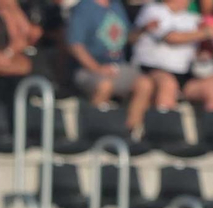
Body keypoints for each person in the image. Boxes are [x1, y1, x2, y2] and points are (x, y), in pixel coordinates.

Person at [65, 0, 155, 130]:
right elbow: (75, 45)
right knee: (105, 85)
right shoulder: (83, 8)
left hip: (117, 66)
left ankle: (130, 131)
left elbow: (127, 37)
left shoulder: (116, 5)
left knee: (145, 84)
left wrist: (143, 30)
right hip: (87, 69)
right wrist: (97, 68)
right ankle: (95, 131)